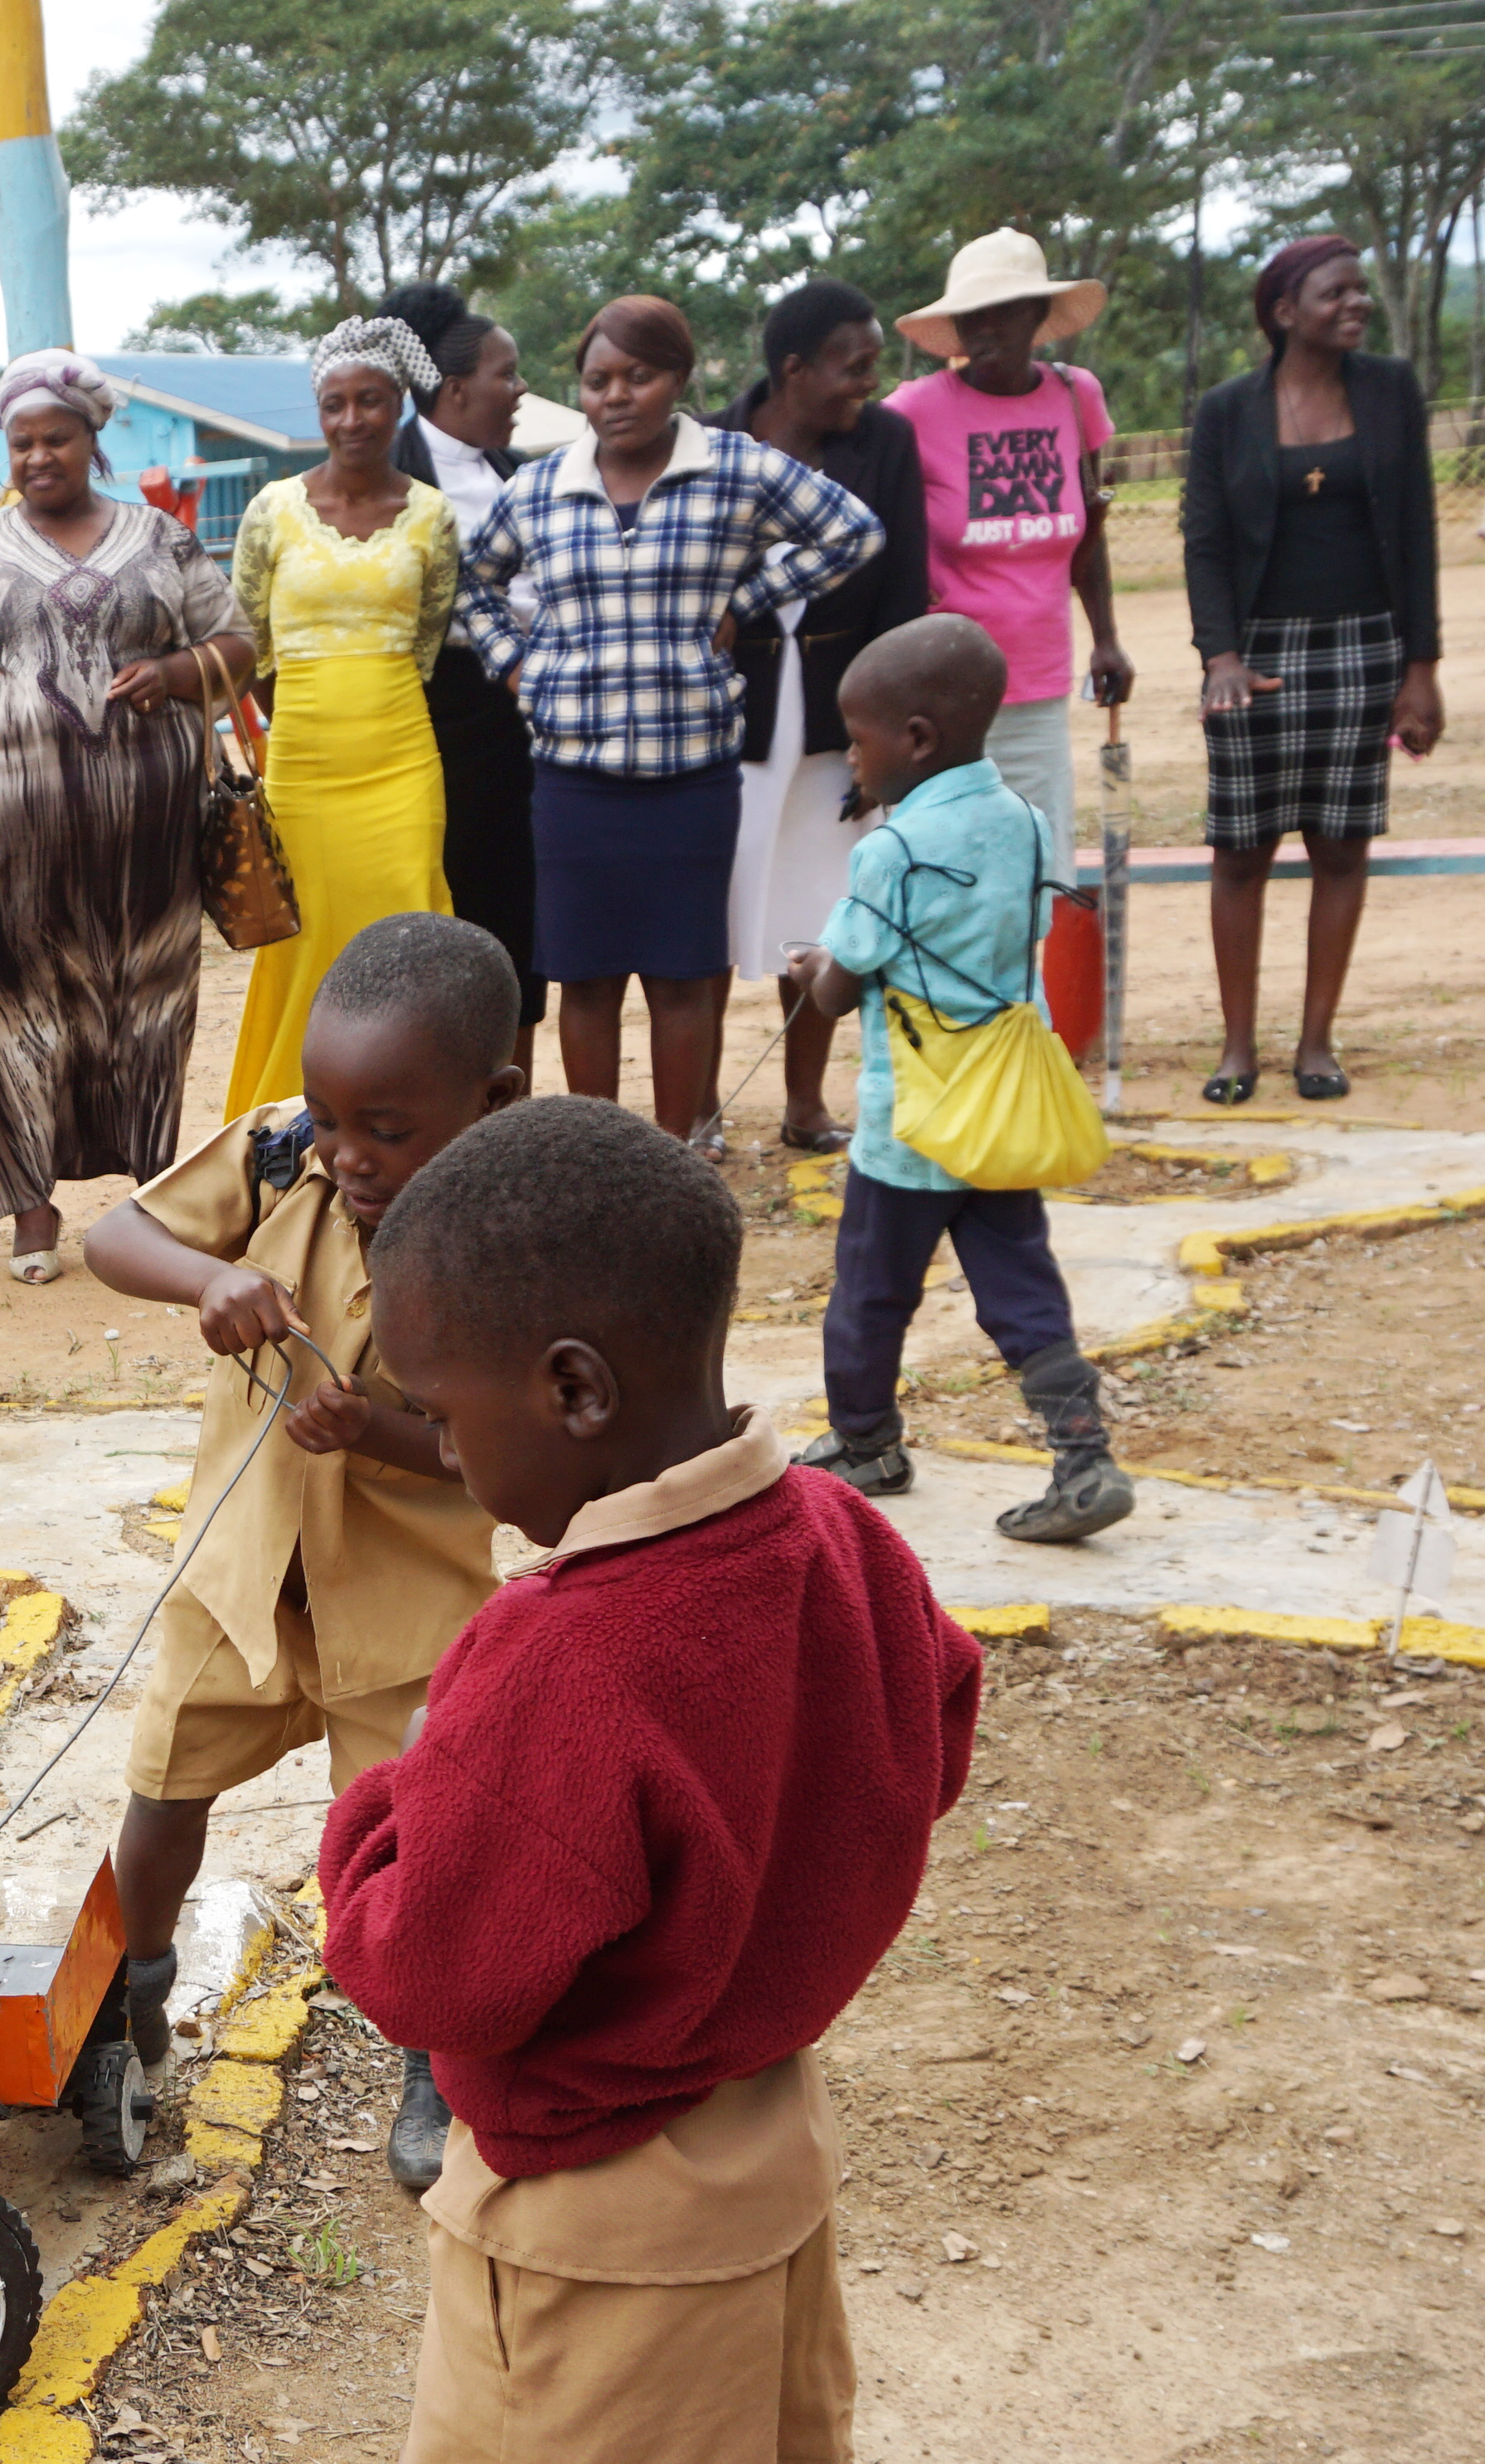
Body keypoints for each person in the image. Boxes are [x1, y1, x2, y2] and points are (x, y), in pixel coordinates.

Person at [322, 1097, 983, 2464]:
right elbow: (930, 1721)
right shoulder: (831, 1533)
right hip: (747, 2125)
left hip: (602, 2187)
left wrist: (374, 1817)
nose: (445, 1454)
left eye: (448, 1419)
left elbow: (427, 1958)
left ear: (578, 1388)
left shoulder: (571, 1658)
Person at [80, 913, 514, 2188]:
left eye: (389, 1130)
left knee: (409, 1851)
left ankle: (432, 2065)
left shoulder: (514, 1244)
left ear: (492, 1102)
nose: (349, 1155)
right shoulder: (279, 1161)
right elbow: (118, 1237)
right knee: (163, 1796)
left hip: (402, 1613)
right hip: (240, 1582)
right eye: (332, 1117)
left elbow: (503, 1460)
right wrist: (200, 1282)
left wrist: (376, 1430)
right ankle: (134, 2002)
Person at [459, 298, 881, 1145]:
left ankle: (677, 1156)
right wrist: (518, 667)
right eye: (597, 381)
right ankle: (597, 1158)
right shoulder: (541, 487)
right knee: (585, 981)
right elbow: (470, 586)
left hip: (693, 775)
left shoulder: (737, 469)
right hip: (574, 780)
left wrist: (750, 600)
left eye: (638, 377)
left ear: (679, 379)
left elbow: (854, 531)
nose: (617, 397)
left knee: (684, 978)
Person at [0, 351, 254, 1277]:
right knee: (2, 1012)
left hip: (143, 856)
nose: (39, 456)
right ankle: (31, 1212)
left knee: (147, 1008)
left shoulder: (160, 539)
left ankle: (151, 1204)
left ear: (94, 441)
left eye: (57, 438)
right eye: (22, 442)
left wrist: (174, 674)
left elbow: (241, 641)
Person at [777, 615, 1133, 1544]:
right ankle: (1083, 1454)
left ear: (917, 740)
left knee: (870, 1289)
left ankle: (866, 1443)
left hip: (914, 1123)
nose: (854, 760)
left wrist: (812, 967)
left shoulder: (887, 852)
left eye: (860, 741)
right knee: (1021, 1285)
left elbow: (839, 991)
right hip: (1004, 1105)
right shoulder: (1024, 820)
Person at [1181, 234, 1441, 1105]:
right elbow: (1206, 542)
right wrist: (1218, 655)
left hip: (1366, 649)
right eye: (1336, 294)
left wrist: (1421, 667)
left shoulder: (1391, 391)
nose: (1357, 304)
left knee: (1340, 845)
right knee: (1240, 852)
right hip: (1256, 657)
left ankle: (1318, 1041)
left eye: (1361, 291)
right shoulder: (1227, 410)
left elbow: (1417, 534)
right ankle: (1237, 1045)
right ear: (1285, 313)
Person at [215, 317, 461, 1118]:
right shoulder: (273, 510)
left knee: (408, 926)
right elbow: (245, 640)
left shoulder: (432, 515)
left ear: (400, 408)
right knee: (307, 940)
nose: (352, 419)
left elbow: (426, 644)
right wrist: (295, 728)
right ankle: (286, 1121)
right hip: (304, 762)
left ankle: (413, 1118)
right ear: (317, 413)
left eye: (371, 401)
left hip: (401, 757)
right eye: (334, 403)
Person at [716, 282, 932, 1153]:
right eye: (854, 367)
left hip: (839, 729)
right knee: (706, 925)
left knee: (821, 913)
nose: (867, 385)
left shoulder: (888, 444)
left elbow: (907, 593)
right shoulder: (713, 445)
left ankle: (805, 1105)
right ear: (794, 371)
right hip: (728, 722)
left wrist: (878, 740)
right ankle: (696, 1114)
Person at [881, 226, 1135, 865]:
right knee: (945, 873)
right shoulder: (914, 410)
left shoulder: (1078, 397)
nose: (984, 329)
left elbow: (1089, 532)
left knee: (1031, 872)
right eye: (971, 316)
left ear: (1038, 316)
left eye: (1001, 312)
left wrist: (1105, 637)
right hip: (941, 689)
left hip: (1038, 684)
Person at [391, 284, 544, 1070]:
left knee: (510, 911)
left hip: (513, 725)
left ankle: (505, 1087)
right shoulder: (391, 471)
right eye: (506, 373)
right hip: (425, 712)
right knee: (430, 908)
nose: (520, 389)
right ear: (455, 388)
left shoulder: (520, 473)